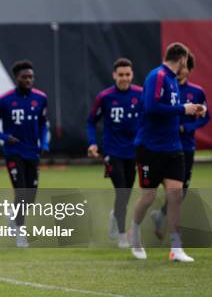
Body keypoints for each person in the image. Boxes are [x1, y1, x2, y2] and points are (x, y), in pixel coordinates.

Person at [130, 42, 206, 262]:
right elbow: (152, 108)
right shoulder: (158, 76)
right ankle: (134, 235)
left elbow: (171, 110)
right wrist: (184, 108)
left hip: (173, 147)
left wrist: (193, 109)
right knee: (148, 196)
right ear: (182, 59)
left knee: (175, 195)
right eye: (186, 61)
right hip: (150, 148)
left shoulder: (173, 80)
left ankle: (176, 247)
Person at [0, 60, 49, 247]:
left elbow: (43, 124)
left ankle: (13, 217)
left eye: (30, 77)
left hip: (32, 152)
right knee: (21, 191)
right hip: (13, 152)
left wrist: (44, 142)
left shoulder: (41, 98)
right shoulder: (5, 100)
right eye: (24, 77)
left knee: (30, 195)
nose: (28, 80)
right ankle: (20, 233)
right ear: (17, 78)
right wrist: (5, 137)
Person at [150, 53, 209, 238]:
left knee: (181, 190)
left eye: (185, 68)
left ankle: (162, 216)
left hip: (186, 145)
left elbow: (205, 116)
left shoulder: (197, 91)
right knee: (153, 188)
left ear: (190, 71)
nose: (181, 71)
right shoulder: (165, 84)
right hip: (162, 145)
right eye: (180, 67)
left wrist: (187, 127)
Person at [86, 58, 143, 248]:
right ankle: (121, 235)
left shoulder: (140, 95)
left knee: (126, 192)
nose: (124, 78)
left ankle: (115, 216)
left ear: (132, 75)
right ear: (114, 75)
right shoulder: (105, 97)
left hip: (133, 151)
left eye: (127, 74)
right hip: (112, 151)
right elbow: (91, 121)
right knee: (121, 191)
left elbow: (147, 120)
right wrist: (93, 143)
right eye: (121, 75)